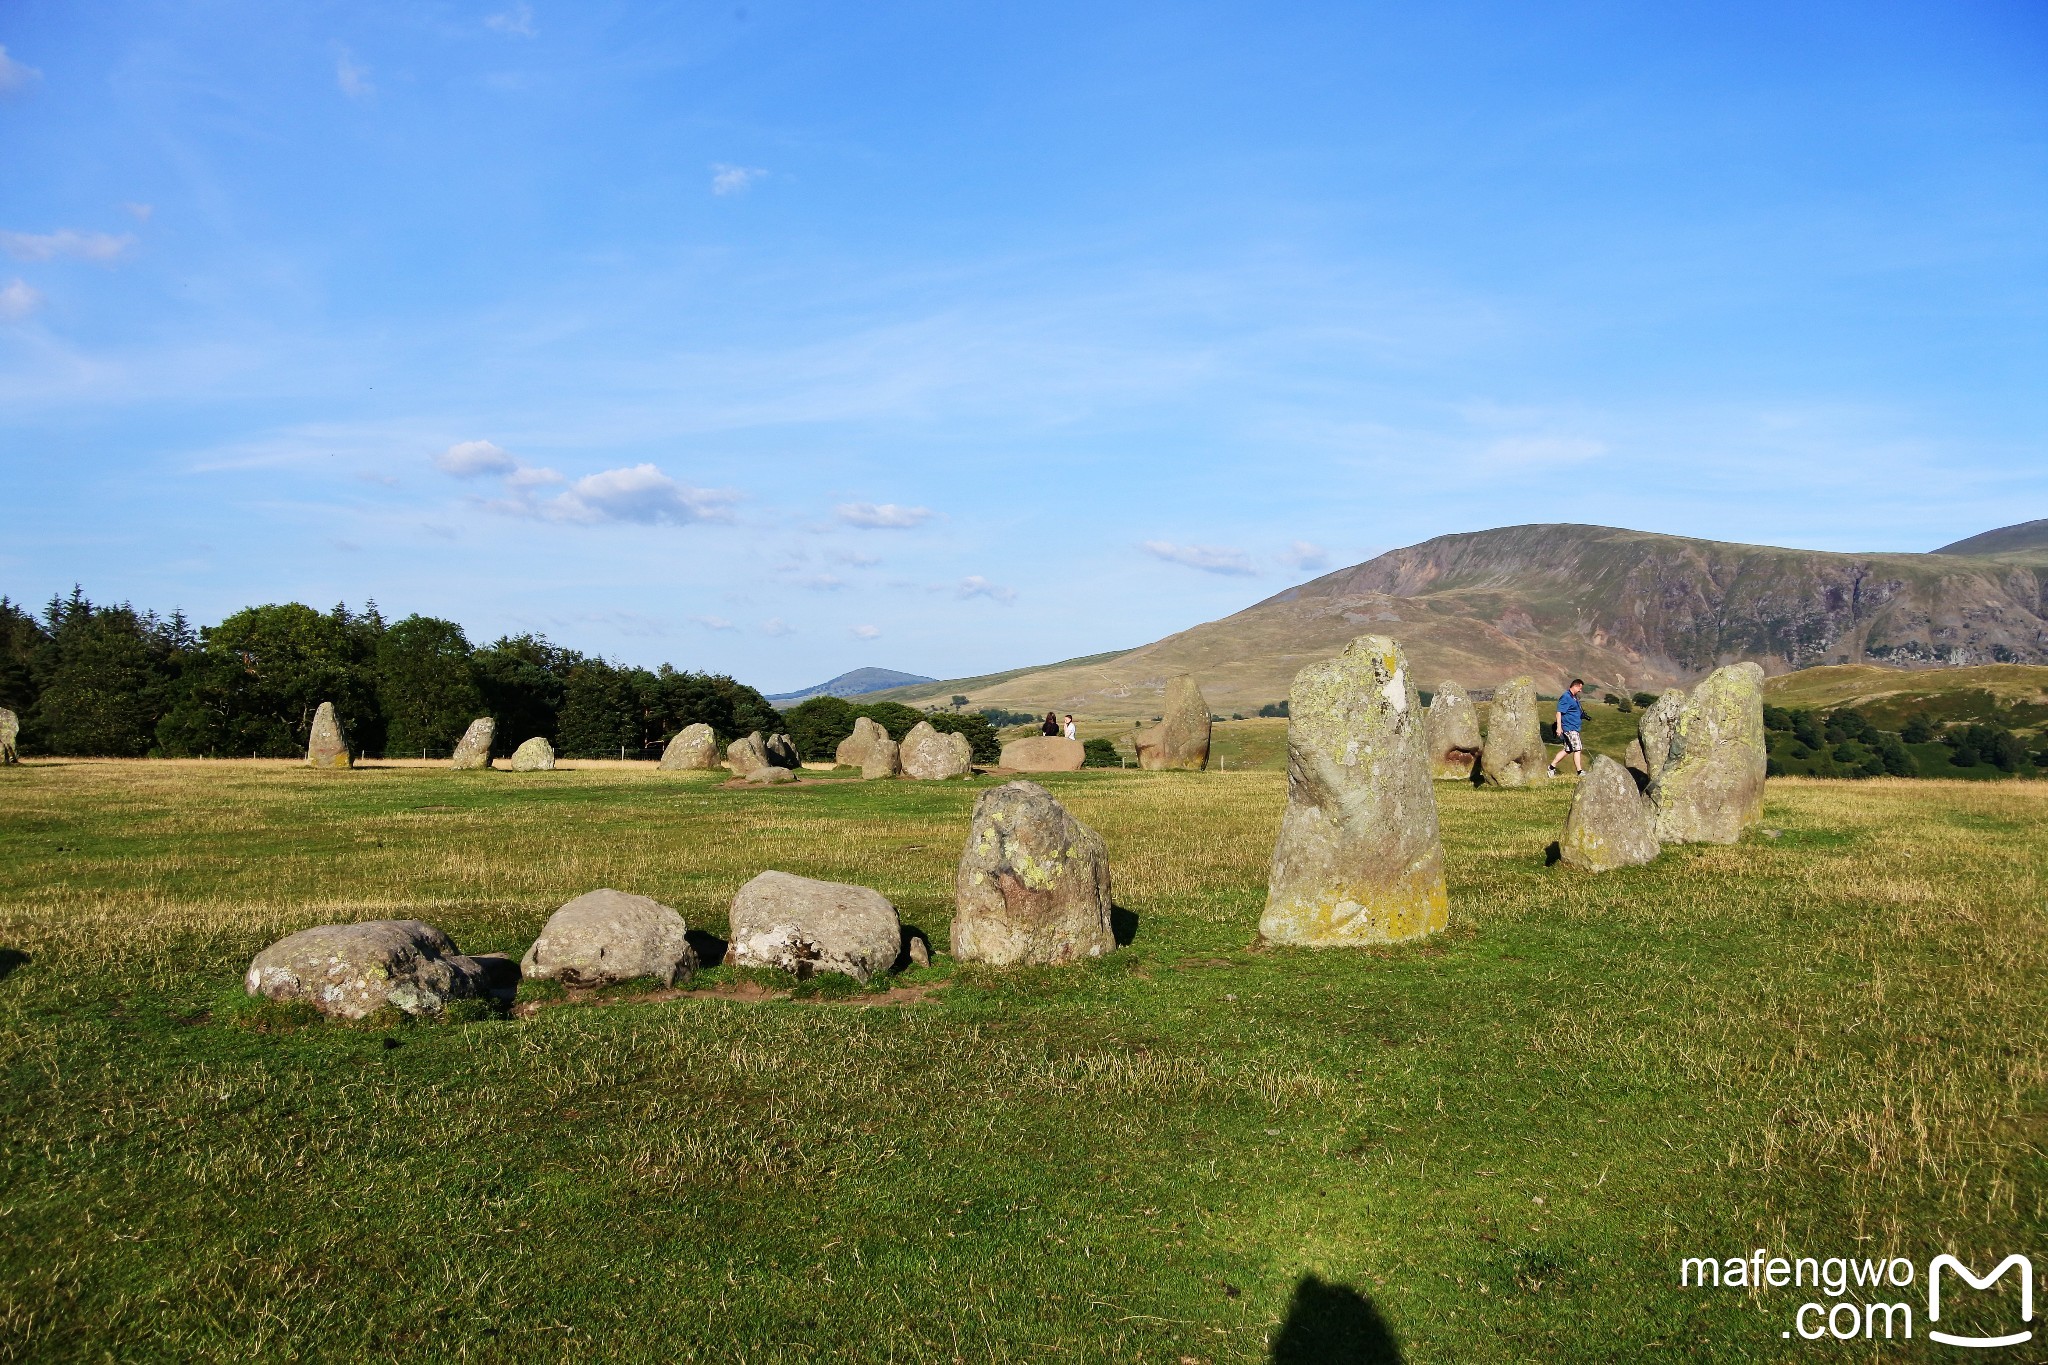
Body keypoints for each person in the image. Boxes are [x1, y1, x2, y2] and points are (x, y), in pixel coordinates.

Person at [1548, 679, 1586, 778]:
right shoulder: (1566, 697)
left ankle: (1551, 767)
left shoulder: (1574, 698)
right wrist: (1559, 728)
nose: (1580, 690)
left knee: (1568, 749)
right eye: (1580, 688)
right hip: (1569, 728)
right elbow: (1559, 712)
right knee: (1578, 748)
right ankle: (1579, 772)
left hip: (1574, 727)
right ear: (1576, 686)